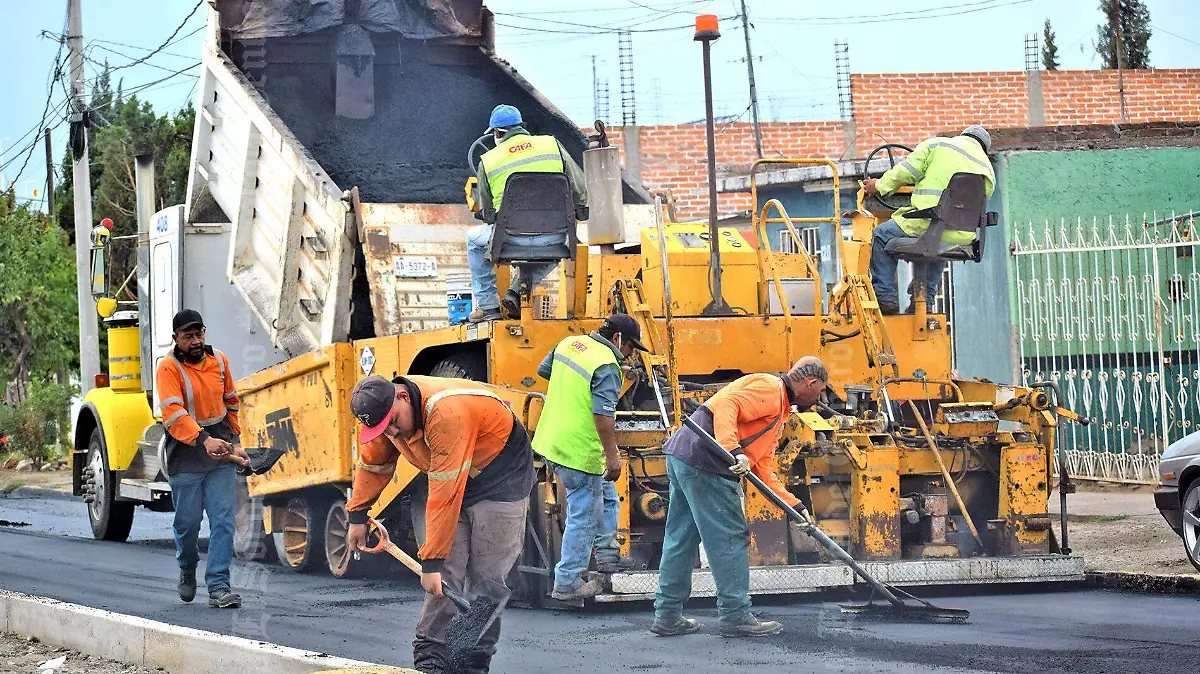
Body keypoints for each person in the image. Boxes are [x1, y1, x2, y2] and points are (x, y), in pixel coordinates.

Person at [344, 374, 536, 674]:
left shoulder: (446, 412)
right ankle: (431, 658)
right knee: (446, 572)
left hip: (501, 479)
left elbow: (446, 495)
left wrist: (430, 562)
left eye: (393, 422)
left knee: (487, 579)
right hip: (446, 470)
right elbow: (374, 464)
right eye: (383, 429)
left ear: (403, 397)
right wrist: (357, 515)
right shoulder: (384, 412)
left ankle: (470, 661)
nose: (392, 432)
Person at [651, 357, 828, 638]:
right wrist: (733, 451)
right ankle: (735, 616)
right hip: (707, 461)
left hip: (685, 456)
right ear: (811, 383)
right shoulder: (771, 389)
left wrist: (795, 506)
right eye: (820, 391)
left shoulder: (778, 410)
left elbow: (763, 469)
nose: (819, 397)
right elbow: (726, 404)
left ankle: (667, 615)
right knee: (730, 538)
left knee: (681, 539)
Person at [532, 314, 647, 601]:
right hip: (578, 450)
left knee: (606, 496)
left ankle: (607, 556)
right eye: (630, 347)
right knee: (584, 514)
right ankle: (568, 581)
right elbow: (603, 418)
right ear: (617, 338)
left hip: (552, 439)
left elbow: (544, 370)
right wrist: (613, 456)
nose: (629, 355)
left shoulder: (570, 343)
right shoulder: (607, 365)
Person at [156, 309, 247, 609]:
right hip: (185, 455)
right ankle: (187, 567)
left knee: (223, 521)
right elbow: (173, 414)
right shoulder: (168, 368)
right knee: (188, 524)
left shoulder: (219, 360)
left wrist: (236, 442)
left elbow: (231, 403)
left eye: (199, 334)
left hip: (220, 453)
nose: (195, 341)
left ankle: (219, 587)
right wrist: (205, 440)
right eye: (188, 336)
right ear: (175, 338)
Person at [466, 103, 589, 323]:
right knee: (560, 246)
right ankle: (516, 291)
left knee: (473, 241)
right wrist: (579, 209)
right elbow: (579, 187)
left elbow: (487, 211)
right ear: (521, 127)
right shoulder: (552, 145)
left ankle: (488, 306)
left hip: (509, 239)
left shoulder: (489, 160)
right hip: (554, 237)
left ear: (497, 133)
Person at [864, 125, 996, 315]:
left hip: (927, 222)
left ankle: (885, 297)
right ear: (983, 148)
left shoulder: (938, 145)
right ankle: (926, 301)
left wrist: (879, 185)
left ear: (963, 136)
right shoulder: (988, 169)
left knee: (881, 235)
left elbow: (906, 171)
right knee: (942, 242)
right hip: (962, 235)